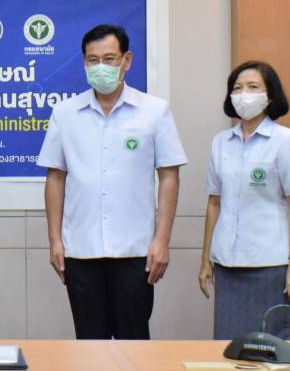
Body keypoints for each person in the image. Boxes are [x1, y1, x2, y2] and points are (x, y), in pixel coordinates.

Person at [37, 24, 187, 340]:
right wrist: (55, 240)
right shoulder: (65, 113)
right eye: (92, 60)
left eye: (109, 59)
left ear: (126, 60)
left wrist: (162, 240)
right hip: (81, 250)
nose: (100, 67)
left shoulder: (154, 111)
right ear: (84, 63)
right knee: (89, 342)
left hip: (135, 251)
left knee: (133, 342)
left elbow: (169, 177)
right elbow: (55, 177)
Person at [198, 61, 290, 341]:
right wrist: (205, 260)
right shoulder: (221, 142)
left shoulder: (286, 141)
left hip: (269, 264)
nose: (243, 94)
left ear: (270, 96)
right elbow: (214, 202)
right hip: (227, 263)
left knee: (266, 348)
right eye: (237, 88)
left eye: (253, 87)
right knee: (228, 346)